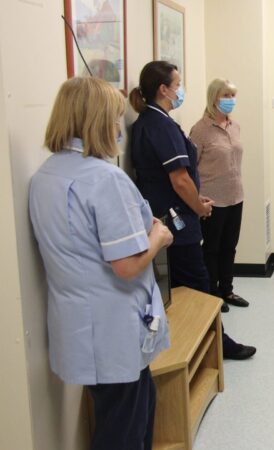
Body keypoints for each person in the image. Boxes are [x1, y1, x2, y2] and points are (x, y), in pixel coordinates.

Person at [30, 76, 172, 450]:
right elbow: (126, 266)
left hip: (81, 324)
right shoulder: (104, 178)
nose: (116, 127)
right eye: (113, 118)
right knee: (124, 430)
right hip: (113, 328)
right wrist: (158, 237)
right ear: (95, 121)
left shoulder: (47, 174)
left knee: (131, 410)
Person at [129, 61, 256, 360]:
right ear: (163, 89)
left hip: (170, 219)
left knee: (180, 287)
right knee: (198, 284)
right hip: (177, 221)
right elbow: (180, 178)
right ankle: (219, 344)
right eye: (178, 84)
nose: (180, 90)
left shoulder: (153, 122)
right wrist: (199, 206)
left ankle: (191, 343)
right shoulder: (159, 125)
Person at [189, 79, 248, 309]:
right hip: (212, 199)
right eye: (226, 96)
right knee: (211, 248)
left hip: (236, 196)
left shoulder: (235, 126)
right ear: (214, 98)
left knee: (229, 247)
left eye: (233, 96)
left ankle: (227, 290)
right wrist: (197, 198)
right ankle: (213, 294)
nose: (231, 101)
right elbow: (190, 167)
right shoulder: (201, 129)